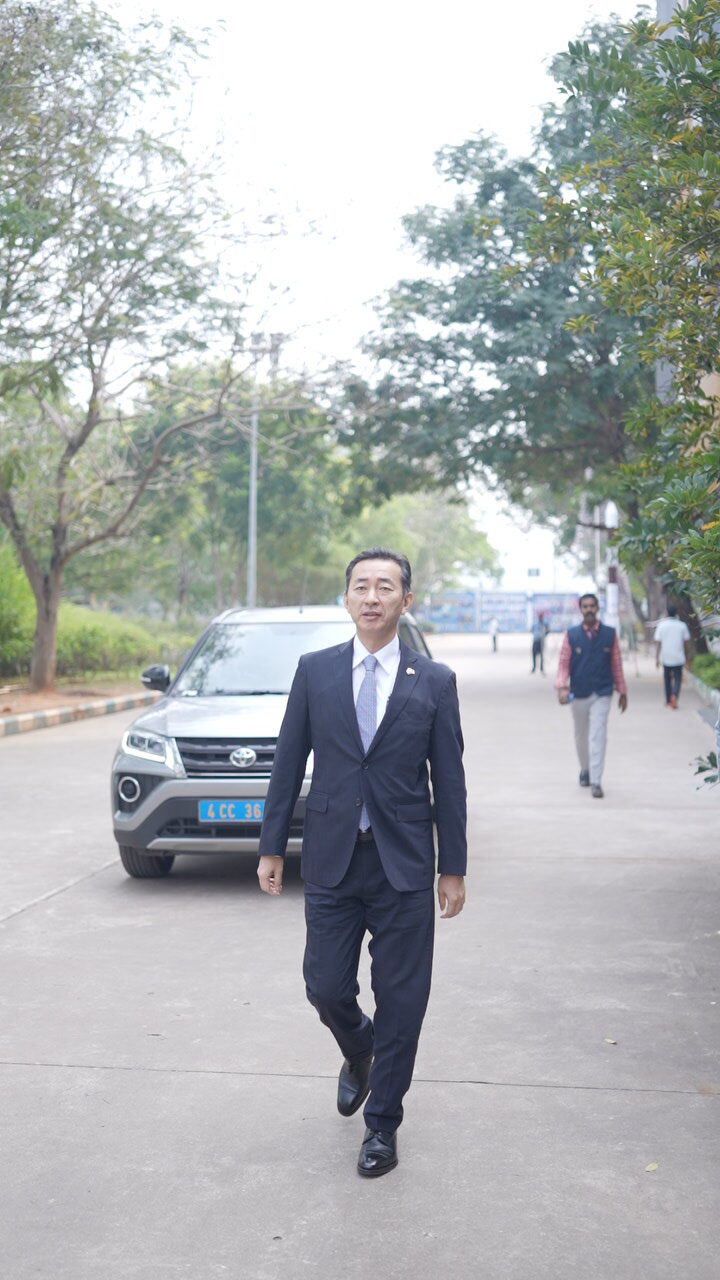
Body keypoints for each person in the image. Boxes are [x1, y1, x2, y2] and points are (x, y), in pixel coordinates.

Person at [257, 548, 467, 1179]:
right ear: (345, 598)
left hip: (404, 863)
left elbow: (449, 781)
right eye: (361, 587)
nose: (372, 597)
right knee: (325, 986)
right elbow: (288, 760)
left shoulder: (434, 681)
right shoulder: (315, 671)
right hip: (334, 856)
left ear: (407, 600)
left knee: (403, 999)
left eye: (385, 587)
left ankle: (382, 1126)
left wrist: (452, 866)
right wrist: (271, 845)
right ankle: (359, 1047)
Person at [554, 592, 628, 798]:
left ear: (597, 608)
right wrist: (562, 687)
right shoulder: (572, 635)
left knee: (598, 735)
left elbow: (616, 664)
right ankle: (585, 769)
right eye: (585, 606)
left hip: (602, 692)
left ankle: (596, 780)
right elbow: (563, 664)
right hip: (578, 693)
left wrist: (622, 690)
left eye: (592, 606)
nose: (588, 610)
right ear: (580, 609)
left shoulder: (609, 634)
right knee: (581, 736)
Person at [653, 605, 690, 708]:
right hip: (678, 657)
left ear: (667, 613)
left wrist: (657, 658)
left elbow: (658, 643)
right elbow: (686, 643)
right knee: (677, 679)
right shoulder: (682, 625)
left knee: (667, 679)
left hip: (666, 657)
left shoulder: (661, 625)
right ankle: (674, 695)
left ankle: (668, 700)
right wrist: (687, 657)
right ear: (676, 613)